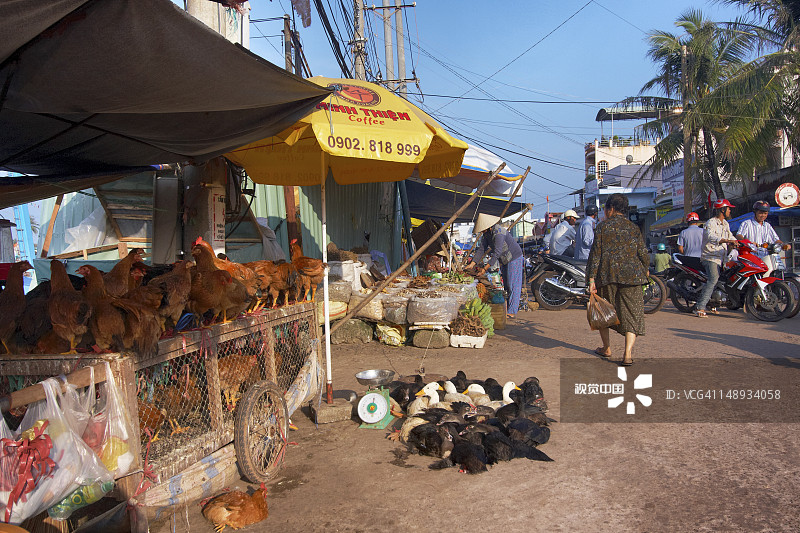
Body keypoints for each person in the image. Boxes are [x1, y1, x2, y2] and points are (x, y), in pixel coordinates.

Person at [587, 193, 649, 366]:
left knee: (603, 312)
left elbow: (595, 255)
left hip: (607, 276)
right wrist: (645, 270)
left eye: (606, 209)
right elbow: (643, 253)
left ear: (611, 209)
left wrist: (591, 279)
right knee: (632, 314)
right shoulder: (634, 228)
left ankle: (607, 348)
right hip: (633, 276)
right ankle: (627, 354)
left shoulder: (602, 227)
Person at [468, 213, 524, 319]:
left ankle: (512, 311)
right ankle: (507, 308)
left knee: (513, 285)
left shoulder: (499, 232)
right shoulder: (486, 235)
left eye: (482, 229)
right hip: (504, 260)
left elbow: (497, 252)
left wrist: (485, 269)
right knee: (507, 285)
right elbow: (481, 249)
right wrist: (472, 264)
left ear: (488, 227)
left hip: (514, 257)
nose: (482, 231)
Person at [695, 199, 738, 318]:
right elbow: (710, 236)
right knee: (713, 279)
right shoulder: (710, 223)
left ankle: (713, 304)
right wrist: (723, 240)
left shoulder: (725, 224)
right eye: (728, 208)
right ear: (722, 210)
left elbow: (730, 235)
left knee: (722, 280)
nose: (730, 210)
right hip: (710, 257)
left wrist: (736, 241)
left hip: (722, 258)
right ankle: (700, 306)